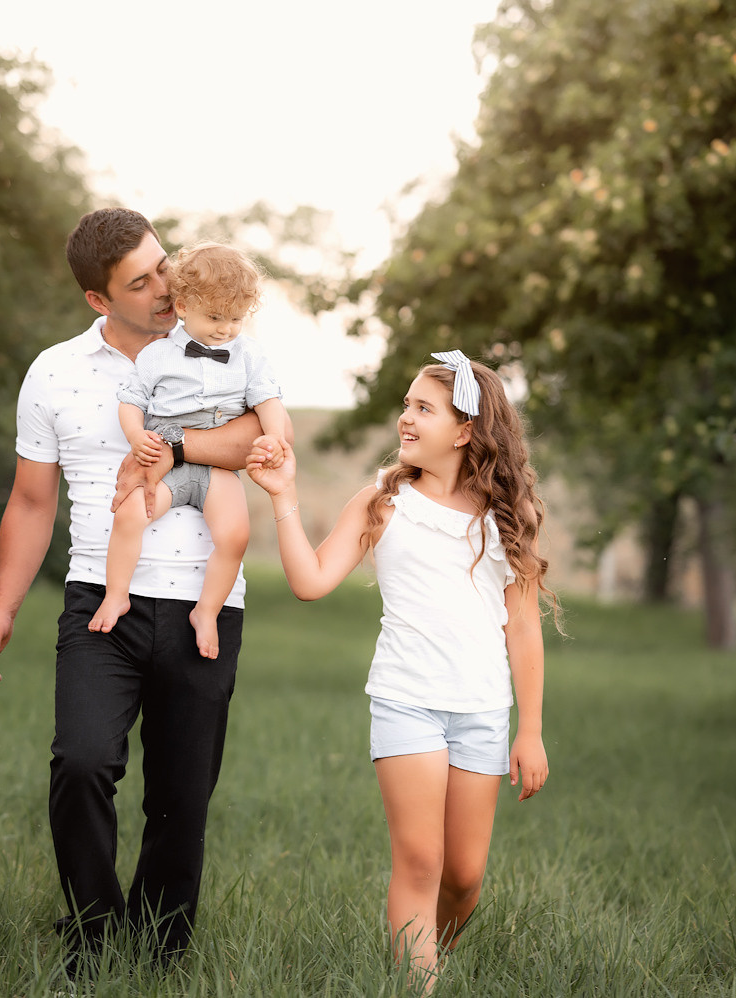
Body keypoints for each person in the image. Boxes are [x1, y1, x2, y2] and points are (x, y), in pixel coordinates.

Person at [0, 209, 276, 965]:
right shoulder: (55, 372)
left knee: (183, 793)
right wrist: (3, 608)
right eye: (140, 282)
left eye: (163, 265)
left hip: (206, 600)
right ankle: (92, 931)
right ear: (98, 300)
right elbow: (32, 502)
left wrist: (175, 443)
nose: (165, 287)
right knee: (81, 761)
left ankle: (160, 951)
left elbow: (257, 440)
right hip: (99, 596)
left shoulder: (225, 343)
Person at [246, 350, 556, 992]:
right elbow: (310, 581)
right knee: (419, 860)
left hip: (480, 710)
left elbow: (523, 629)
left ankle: (427, 956)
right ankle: (418, 984)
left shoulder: (507, 517)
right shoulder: (382, 502)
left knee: (464, 875)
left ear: (465, 430)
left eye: (424, 408)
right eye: (407, 404)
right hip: (405, 700)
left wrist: (530, 731)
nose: (405, 418)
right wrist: (284, 497)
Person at [89, 242, 290, 659]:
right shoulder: (157, 354)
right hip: (165, 453)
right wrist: (135, 435)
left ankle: (207, 610)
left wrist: (273, 437)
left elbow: (268, 399)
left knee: (235, 535)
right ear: (183, 305)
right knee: (131, 513)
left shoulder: (249, 355)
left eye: (236, 318)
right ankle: (117, 595)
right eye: (215, 317)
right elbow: (131, 400)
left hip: (217, 465)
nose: (225, 329)